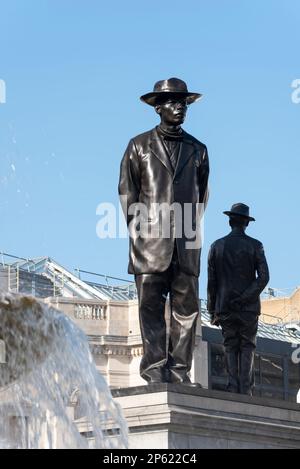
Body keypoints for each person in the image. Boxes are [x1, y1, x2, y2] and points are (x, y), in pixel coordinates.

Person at [118, 78, 209, 385]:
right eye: (173, 102)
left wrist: (188, 230)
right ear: (158, 108)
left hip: (186, 245)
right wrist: (142, 233)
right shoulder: (138, 145)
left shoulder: (198, 149)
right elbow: (127, 194)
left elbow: (202, 196)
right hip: (150, 246)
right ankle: (154, 368)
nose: (179, 108)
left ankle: (180, 372)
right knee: (150, 309)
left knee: (186, 312)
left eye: (183, 103)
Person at [207, 203, 269, 395]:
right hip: (248, 307)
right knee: (247, 345)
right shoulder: (255, 245)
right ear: (246, 223)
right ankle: (246, 388)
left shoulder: (217, 246)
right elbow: (264, 277)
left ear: (230, 221)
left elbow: (212, 282)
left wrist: (212, 310)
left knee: (230, 346)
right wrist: (246, 297)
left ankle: (233, 386)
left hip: (225, 306)